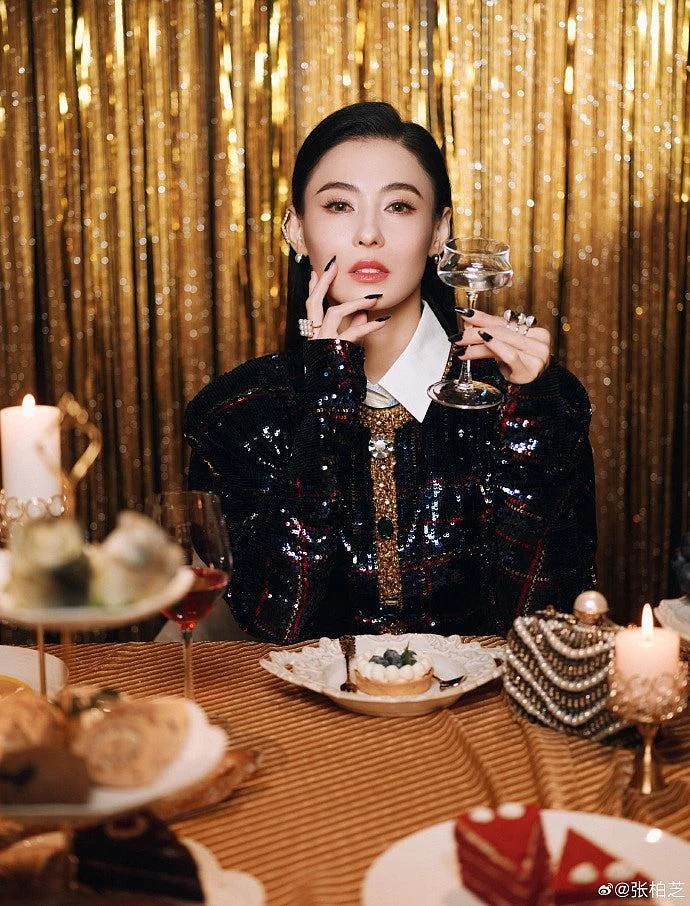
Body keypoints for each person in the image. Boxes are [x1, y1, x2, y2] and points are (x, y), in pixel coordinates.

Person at [184, 101, 596, 644]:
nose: (369, 234)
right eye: (339, 206)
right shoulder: (238, 413)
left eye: (399, 206)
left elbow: (541, 621)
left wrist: (532, 418)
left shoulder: (525, 400)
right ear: (297, 230)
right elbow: (279, 622)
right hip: (306, 700)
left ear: (438, 232)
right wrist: (329, 395)